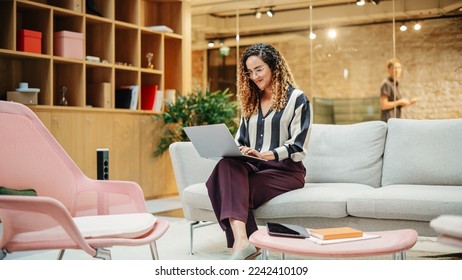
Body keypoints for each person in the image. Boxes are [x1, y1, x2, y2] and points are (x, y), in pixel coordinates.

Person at [205, 43, 312, 260]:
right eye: (250, 72)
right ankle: (244, 241)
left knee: (222, 187)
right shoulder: (251, 102)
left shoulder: (297, 99)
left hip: (286, 171)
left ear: (274, 67)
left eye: (259, 69)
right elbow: (240, 140)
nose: (254, 76)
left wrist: (265, 154)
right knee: (226, 165)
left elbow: (299, 147)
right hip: (254, 167)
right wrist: (237, 150)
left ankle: (244, 243)